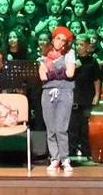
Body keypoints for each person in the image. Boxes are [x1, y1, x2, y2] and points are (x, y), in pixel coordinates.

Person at [39, 26, 76, 172]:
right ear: (53, 38)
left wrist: (51, 73)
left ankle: (65, 158)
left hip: (64, 92)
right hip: (47, 93)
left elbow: (70, 73)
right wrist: (60, 72)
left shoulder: (69, 53)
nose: (60, 42)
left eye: (63, 40)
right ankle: (54, 159)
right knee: (51, 128)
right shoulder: (45, 54)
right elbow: (42, 76)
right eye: (58, 38)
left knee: (61, 128)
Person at [68, 33, 101, 159]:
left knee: (86, 126)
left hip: (87, 96)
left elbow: (96, 79)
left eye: (81, 44)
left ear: (88, 46)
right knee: (73, 126)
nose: (78, 47)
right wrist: (74, 67)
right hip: (74, 96)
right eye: (77, 44)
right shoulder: (72, 61)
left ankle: (87, 151)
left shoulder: (92, 61)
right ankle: (71, 151)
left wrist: (97, 95)